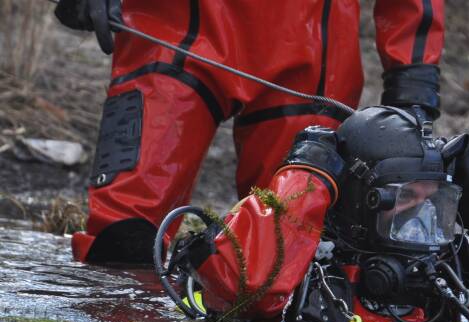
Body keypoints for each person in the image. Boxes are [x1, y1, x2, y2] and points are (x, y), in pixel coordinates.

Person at [54, 0, 446, 264]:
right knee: (123, 238)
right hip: (172, 27)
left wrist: (413, 82)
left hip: (310, 52)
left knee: (293, 250)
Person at [172, 106, 469, 322]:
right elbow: (250, 288)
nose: (421, 215)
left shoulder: (446, 289)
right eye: (406, 197)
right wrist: (306, 178)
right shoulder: (302, 274)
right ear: (359, 203)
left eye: (434, 200)